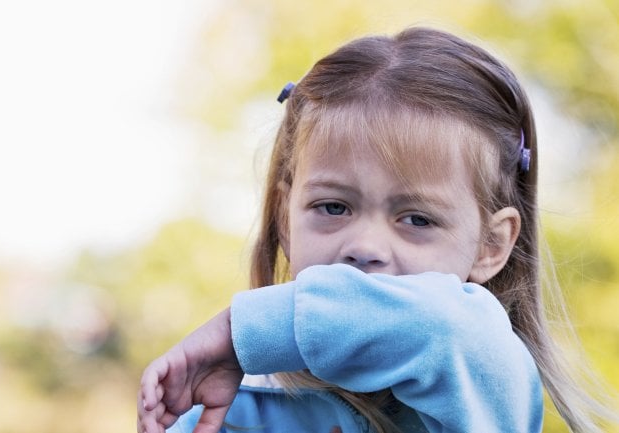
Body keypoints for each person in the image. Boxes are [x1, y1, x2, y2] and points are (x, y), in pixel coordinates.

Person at [138, 27, 614, 433]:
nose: (364, 246)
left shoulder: (481, 375)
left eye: (417, 219)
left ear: (490, 246)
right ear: (286, 216)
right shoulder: (228, 412)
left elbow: (441, 327)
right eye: (333, 207)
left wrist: (240, 329)